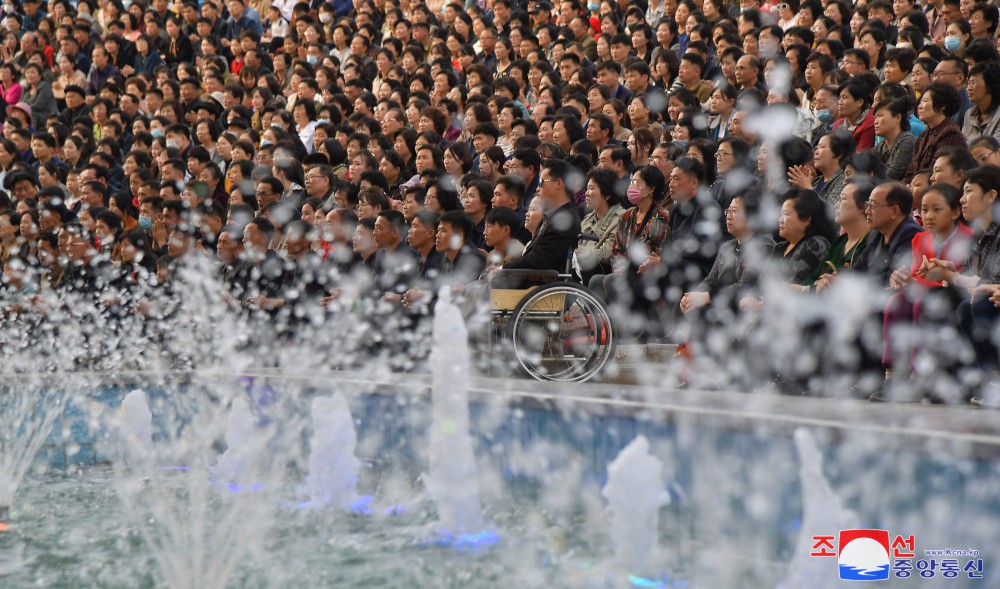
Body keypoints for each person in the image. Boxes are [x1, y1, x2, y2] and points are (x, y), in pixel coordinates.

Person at [574, 168, 624, 285]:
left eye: (591, 188)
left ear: (607, 195)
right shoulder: (588, 217)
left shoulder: (621, 218)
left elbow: (607, 253)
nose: (586, 193)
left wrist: (577, 251)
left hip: (601, 275)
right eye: (587, 188)